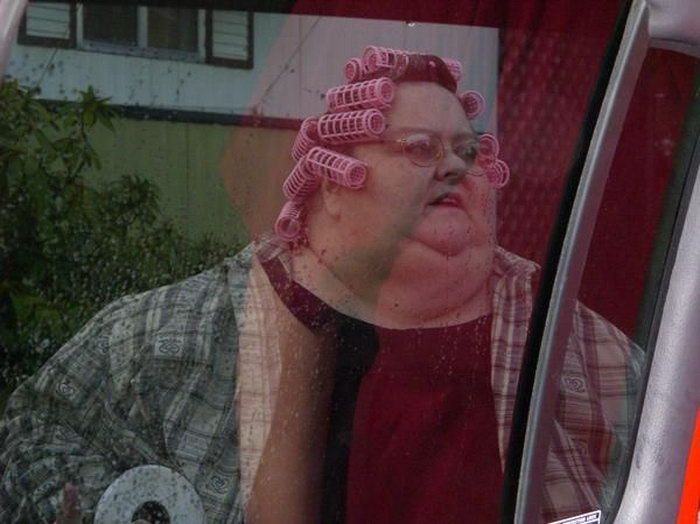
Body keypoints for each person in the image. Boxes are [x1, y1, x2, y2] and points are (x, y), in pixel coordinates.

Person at [0, 47, 640, 524]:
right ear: (333, 185)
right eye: (420, 148)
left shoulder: (568, 339)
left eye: (468, 153)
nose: (454, 167)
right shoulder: (187, 328)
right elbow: (35, 433)